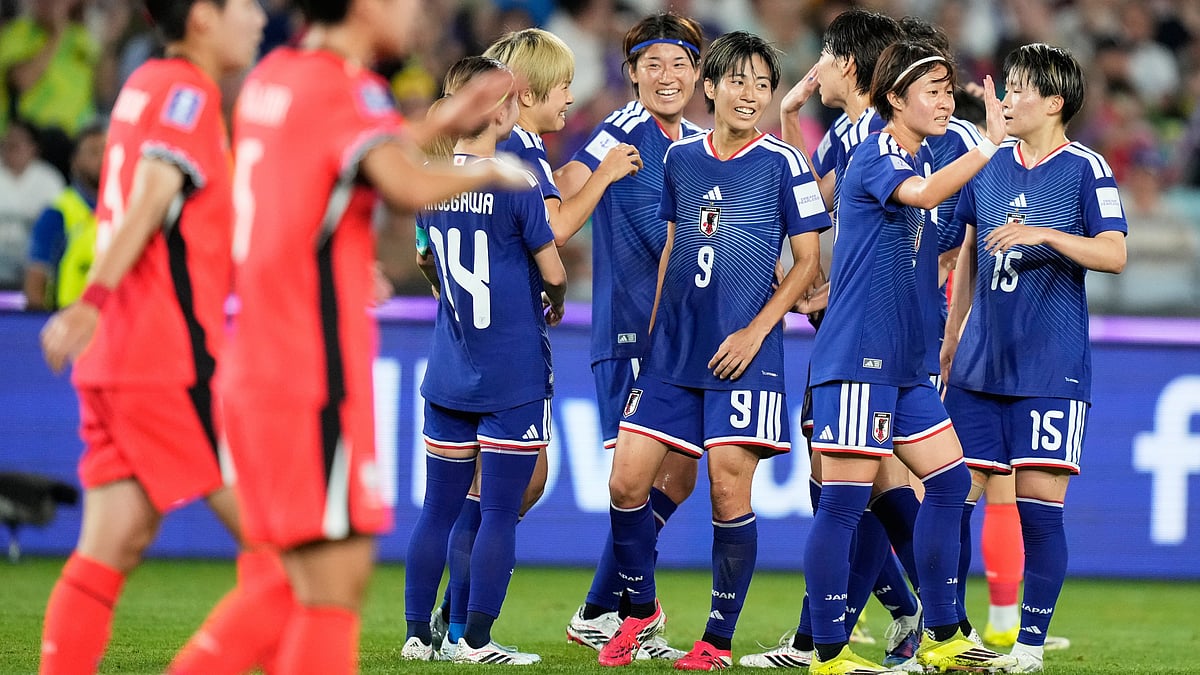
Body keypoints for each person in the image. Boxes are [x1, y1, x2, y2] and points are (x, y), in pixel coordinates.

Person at [221, 1, 537, 672]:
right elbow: (403, 180)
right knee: (330, 580)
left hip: (260, 350)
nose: (416, 11)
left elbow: (334, 155)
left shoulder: (276, 75)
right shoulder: (348, 84)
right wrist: (492, 169)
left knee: (293, 577)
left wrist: (445, 121)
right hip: (311, 363)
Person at [35, 2, 298, 674]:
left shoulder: (144, 84)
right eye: (242, 5)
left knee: (112, 543)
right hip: (166, 358)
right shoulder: (187, 91)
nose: (259, 17)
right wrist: (91, 298)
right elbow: (156, 187)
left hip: (116, 359)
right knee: (292, 556)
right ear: (203, 18)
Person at [599, 30, 828, 671]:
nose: (751, 95)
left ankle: (717, 641)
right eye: (739, 82)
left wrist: (758, 331)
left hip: (745, 358)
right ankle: (640, 614)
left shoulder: (785, 163)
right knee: (625, 482)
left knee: (729, 492)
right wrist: (652, 333)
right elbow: (674, 245)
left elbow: (808, 262)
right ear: (712, 87)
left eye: (763, 85)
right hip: (673, 352)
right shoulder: (680, 161)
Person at [422, 26, 644, 657]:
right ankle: (461, 620)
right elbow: (550, 224)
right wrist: (601, 180)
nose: (570, 98)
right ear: (529, 89)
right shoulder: (515, 145)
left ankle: (445, 617)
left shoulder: (506, 148)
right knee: (507, 490)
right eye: (564, 86)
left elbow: (429, 243)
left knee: (512, 486)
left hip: (465, 351)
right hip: (508, 352)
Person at [801, 40, 1017, 674]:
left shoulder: (922, 155)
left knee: (950, 482)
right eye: (931, 90)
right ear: (894, 99)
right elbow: (922, 198)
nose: (945, 100)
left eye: (949, 89)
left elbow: (950, 231)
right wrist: (986, 149)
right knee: (844, 502)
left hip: (907, 365)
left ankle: (943, 634)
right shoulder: (876, 156)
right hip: (860, 357)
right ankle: (828, 652)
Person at [741, 10, 924, 669]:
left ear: (847, 63)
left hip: (868, 336)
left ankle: (842, 635)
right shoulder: (850, 133)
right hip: (849, 328)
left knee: (853, 484)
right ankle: (908, 614)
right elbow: (812, 210)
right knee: (853, 481)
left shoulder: (880, 134)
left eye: (824, 52)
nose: (814, 64)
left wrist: (824, 284)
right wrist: (790, 119)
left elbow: (859, 229)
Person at [941, 43, 1127, 674]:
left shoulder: (1086, 169)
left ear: (1055, 102)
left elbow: (1113, 253)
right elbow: (966, 247)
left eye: (1020, 89)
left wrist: (1045, 234)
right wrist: (952, 332)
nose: (1007, 99)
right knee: (948, 496)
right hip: (978, 365)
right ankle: (948, 631)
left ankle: (1028, 646)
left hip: (1051, 367)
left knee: (1038, 509)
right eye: (1007, 88)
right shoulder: (988, 165)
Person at [400, 55, 565, 666]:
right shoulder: (512, 179)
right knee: (496, 511)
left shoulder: (429, 178)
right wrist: (554, 301)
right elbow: (553, 271)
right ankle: (475, 640)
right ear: (496, 110)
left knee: (437, 508)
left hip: (448, 365)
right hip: (511, 372)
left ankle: (419, 635)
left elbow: (424, 260)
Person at [554, 12, 706, 661]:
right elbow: (563, 185)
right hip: (631, 332)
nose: (666, 76)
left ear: (698, 73)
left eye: (678, 64)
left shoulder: (700, 139)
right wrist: (602, 178)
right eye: (653, 64)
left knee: (683, 474)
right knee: (635, 480)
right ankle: (633, 614)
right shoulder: (622, 132)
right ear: (633, 74)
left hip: (682, 336)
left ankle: (597, 608)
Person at [24, 123, 105, 311]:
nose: (102, 159)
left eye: (106, 151)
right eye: (93, 152)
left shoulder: (126, 208)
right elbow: (36, 278)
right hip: (67, 319)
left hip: (115, 324)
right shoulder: (57, 213)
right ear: (75, 161)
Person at [0, 120, 64, 290]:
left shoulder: (49, 179)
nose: (11, 146)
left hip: (35, 264)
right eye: (8, 141)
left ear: (34, 147)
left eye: (19, 142)